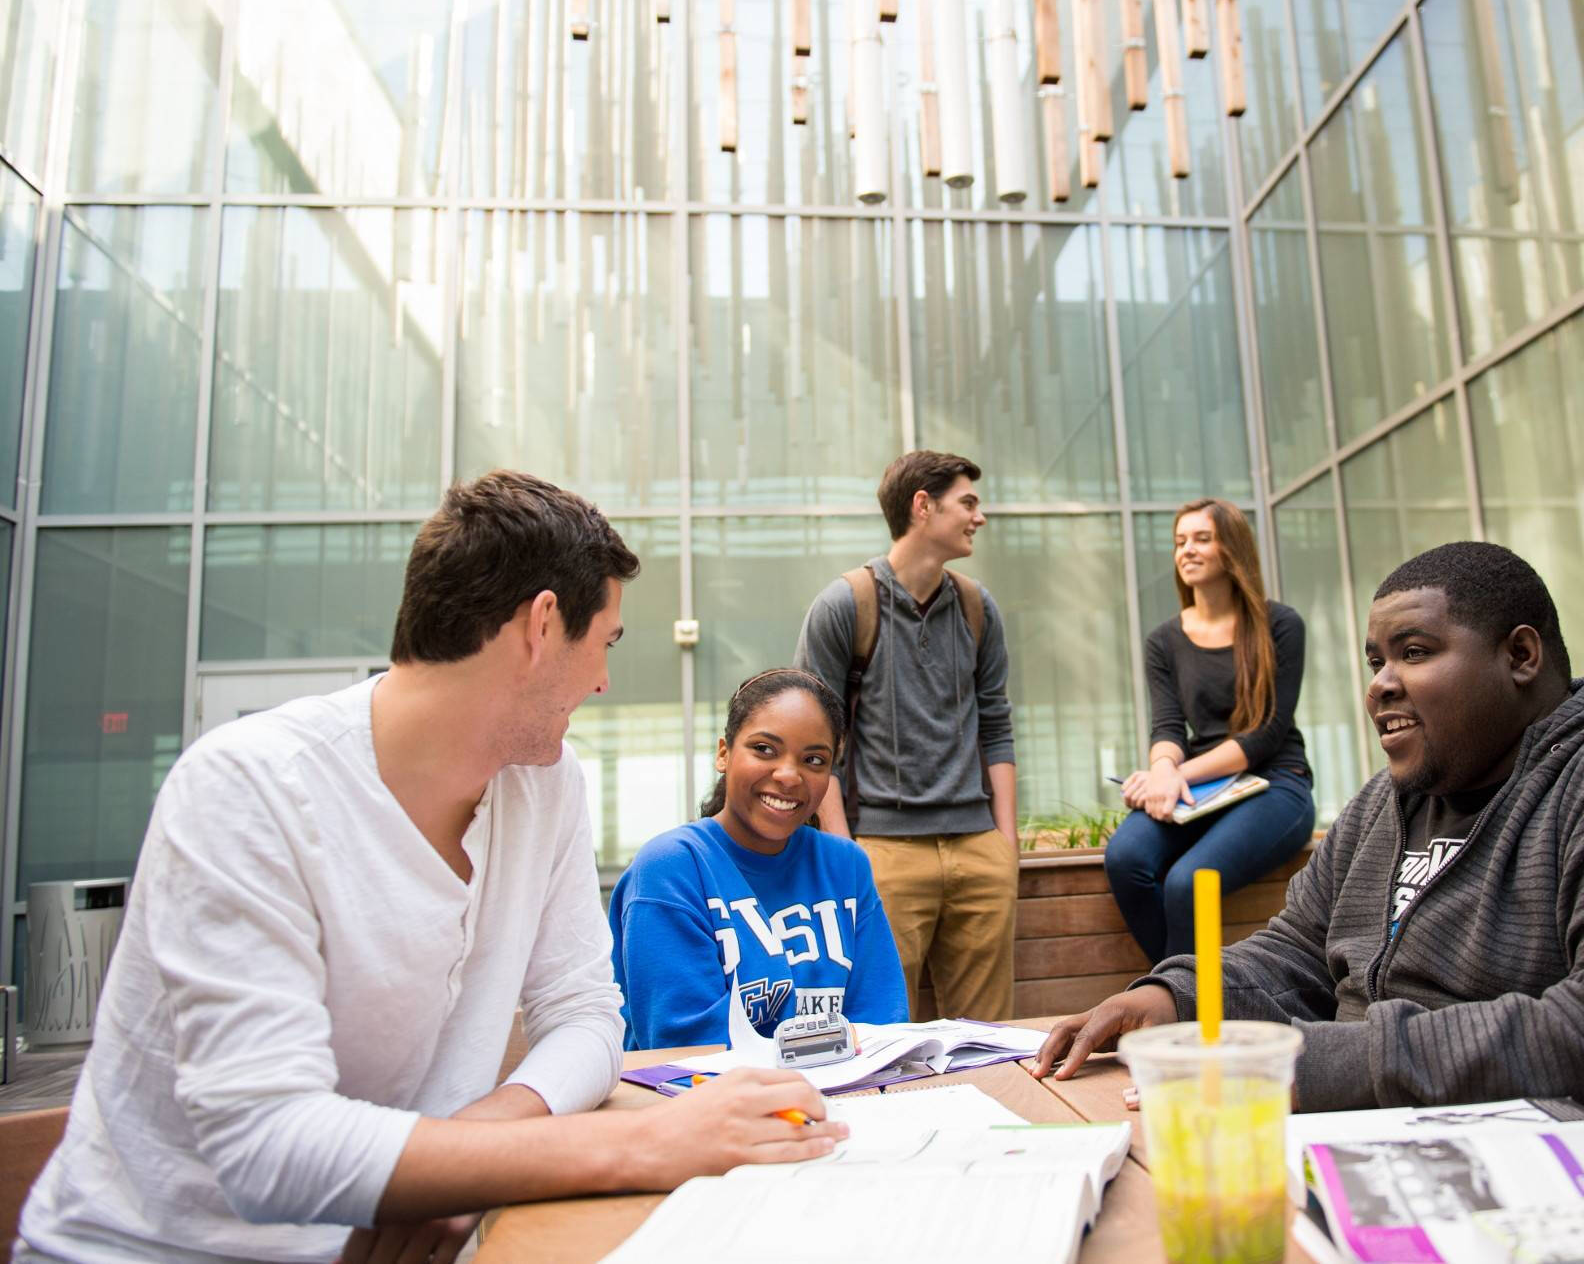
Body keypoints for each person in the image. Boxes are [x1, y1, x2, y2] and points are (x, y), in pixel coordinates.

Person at [16, 472, 845, 1264]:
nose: (601, 681)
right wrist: (641, 1141)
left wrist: (474, 1148)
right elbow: (266, 1145)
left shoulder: (547, 782)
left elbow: (587, 1014)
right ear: (541, 625)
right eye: (604, 644)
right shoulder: (247, 786)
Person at [1033, 541, 1584, 1196]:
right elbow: (1299, 949)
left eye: (1415, 652)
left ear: (1520, 655)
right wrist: (1173, 994)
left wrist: (1317, 1064)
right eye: (1376, 659)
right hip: (1389, 1170)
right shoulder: (1388, 801)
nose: (1381, 683)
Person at [794, 450, 1017, 1021]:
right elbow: (816, 744)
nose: (979, 517)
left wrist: (1006, 845)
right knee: (884, 1033)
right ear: (923, 506)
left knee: (988, 1039)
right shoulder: (845, 604)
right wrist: (845, 853)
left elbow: (996, 723)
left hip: (979, 849)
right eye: (968, 503)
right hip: (883, 853)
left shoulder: (977, 607)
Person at [610, 668, 908, 1049]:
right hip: (711, 1087)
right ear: (723, 753)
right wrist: (830, 1048)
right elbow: (689, 1046)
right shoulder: (670, 870)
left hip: (845, 1083)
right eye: (764, 749)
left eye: (814, 760)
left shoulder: (846, 866)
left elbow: (883, 1026)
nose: (789, 775)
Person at [1105, 498, 1315, 962]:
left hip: (1277, 782)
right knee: (1126, 858)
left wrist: (1175, 777)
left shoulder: (1281, 625)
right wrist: (1163, 770)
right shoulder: (1164, 640)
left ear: (1232, 549)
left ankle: (1181, 997)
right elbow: (1167, 726)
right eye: (1180, 541)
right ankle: (1179, 986)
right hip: (1203, 787)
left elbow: (1266, 734)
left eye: (1202, 539)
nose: (1187, 550)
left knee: (1189, 881)